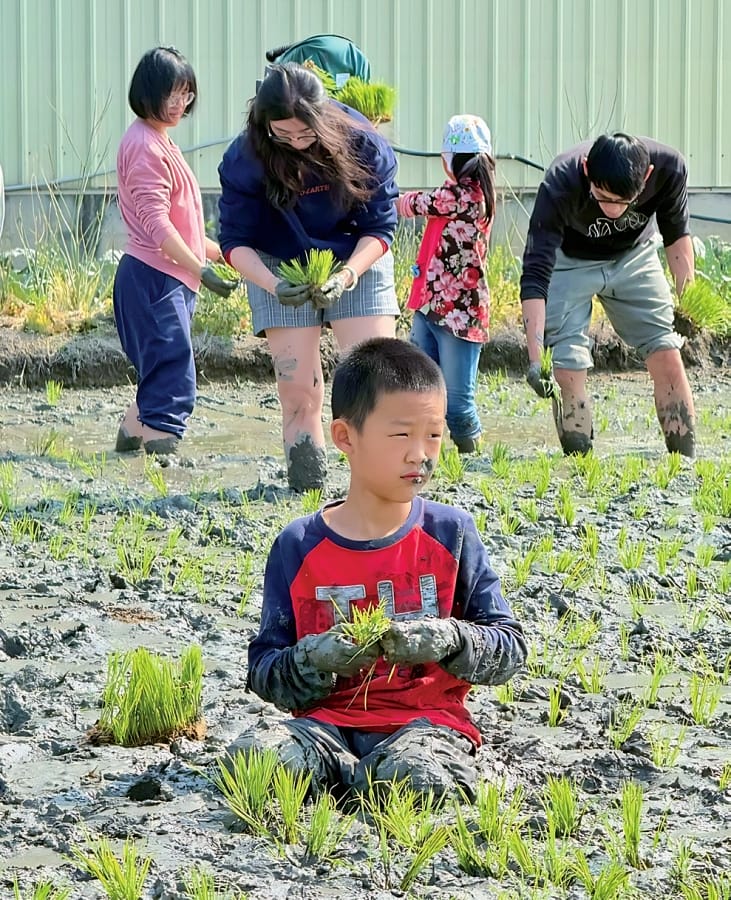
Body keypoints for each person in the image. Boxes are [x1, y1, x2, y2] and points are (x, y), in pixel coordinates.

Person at [238, 337, 526, 801]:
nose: (420, 454)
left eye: (434, 436)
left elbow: (510, 646)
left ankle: (376, 780)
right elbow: (264, 670)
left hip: (426, 728)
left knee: (417, 777)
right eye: (401, 436)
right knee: (253, 762)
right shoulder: (297, 545)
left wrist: (451, 638)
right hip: (323, 730)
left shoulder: (451, 533)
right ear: (345, 437)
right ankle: (347, 778)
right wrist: (314, 659)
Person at [217, 63, 399, 492]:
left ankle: (382, 486)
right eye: (284, 135)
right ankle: (308, 486)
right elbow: (234, 241)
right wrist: (273, 285)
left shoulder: (363, 142)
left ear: (323, 118)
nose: (297, 143)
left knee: (375, 380)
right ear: (264, 124)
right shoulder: (245, 158)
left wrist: (349, 275)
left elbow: (380, 227)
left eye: (306, 133)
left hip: (355, 254)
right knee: (298, 388)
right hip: (278, 263)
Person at [520, 132, 696, 458]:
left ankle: (684, 462)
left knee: (666, 352)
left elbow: (676, 236)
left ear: (646, 176)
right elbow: (535, 273)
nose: (613, 210)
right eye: (602, 197)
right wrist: (535, 359)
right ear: (587, 169)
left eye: (624, 201)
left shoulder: (669, 168)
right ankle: (580, 464)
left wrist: (690, 307)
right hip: (568, 261)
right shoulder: (560, 181)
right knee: (567, 367)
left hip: (634, 256)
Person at [113, 46, 238, 457]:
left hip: (164, 275)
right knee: (172, 373)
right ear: (148, 92)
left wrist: (225, 255)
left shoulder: (158, 139)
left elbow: (183, 227)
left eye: (186, 94)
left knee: (160, 368)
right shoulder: (145, 146)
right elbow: (157, 225)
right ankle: (162, 472)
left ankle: (129, 448)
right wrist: (200, 269)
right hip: (154, 278)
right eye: (172, 93)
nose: (180, 103)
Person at [397, 114, 496, 453]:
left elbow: (412, 204)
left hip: (457, 314)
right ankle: (432, 456)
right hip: (435, 307)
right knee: (421, 391)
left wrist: (385, 199)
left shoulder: (460, 196)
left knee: (456, 404)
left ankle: (472, 460)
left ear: (449, 159)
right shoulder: (478, 195)